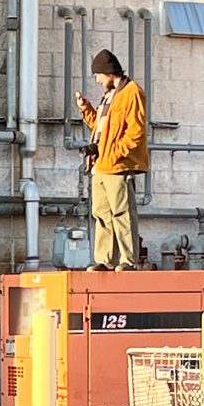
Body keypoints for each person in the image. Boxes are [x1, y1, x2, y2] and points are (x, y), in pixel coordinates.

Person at [75, 49, 149, 272]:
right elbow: (101, 127)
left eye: (98, 76)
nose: (97, 81)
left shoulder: (131, 92)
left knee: (122, 212)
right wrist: (86, 109)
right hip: (101, 165)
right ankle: (105, 260)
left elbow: (135, 132)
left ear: (108, 73)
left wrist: (116, 153)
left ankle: (128, 260)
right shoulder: (110, 94)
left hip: (116, 165)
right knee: (102, 214)